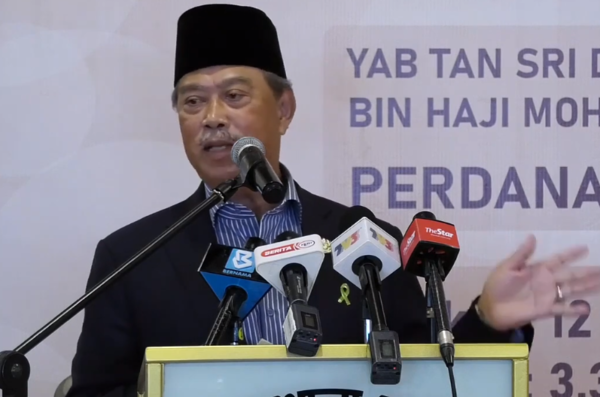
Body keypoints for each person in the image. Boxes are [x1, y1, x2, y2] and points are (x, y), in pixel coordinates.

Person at [66, 4, 600, 397]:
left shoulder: (362, 239)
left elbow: (425, 381)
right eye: (191, 102)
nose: (211, 118)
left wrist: (488, 319)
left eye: (234, 95)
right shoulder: (132, 258)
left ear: (284, 110)